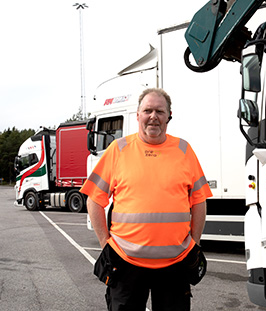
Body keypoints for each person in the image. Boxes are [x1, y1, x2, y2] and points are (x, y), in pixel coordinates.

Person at [80, 88, 213, 310]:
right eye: (147, 110)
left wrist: (194, 244)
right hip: (125, 263)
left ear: (169, 116)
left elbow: (199, 201)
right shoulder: (119, 149)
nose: (153, 116)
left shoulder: (183, 150)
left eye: (160, 111)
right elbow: (94, 200)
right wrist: (106, 245)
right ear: (138, 116)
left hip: (175, 264)